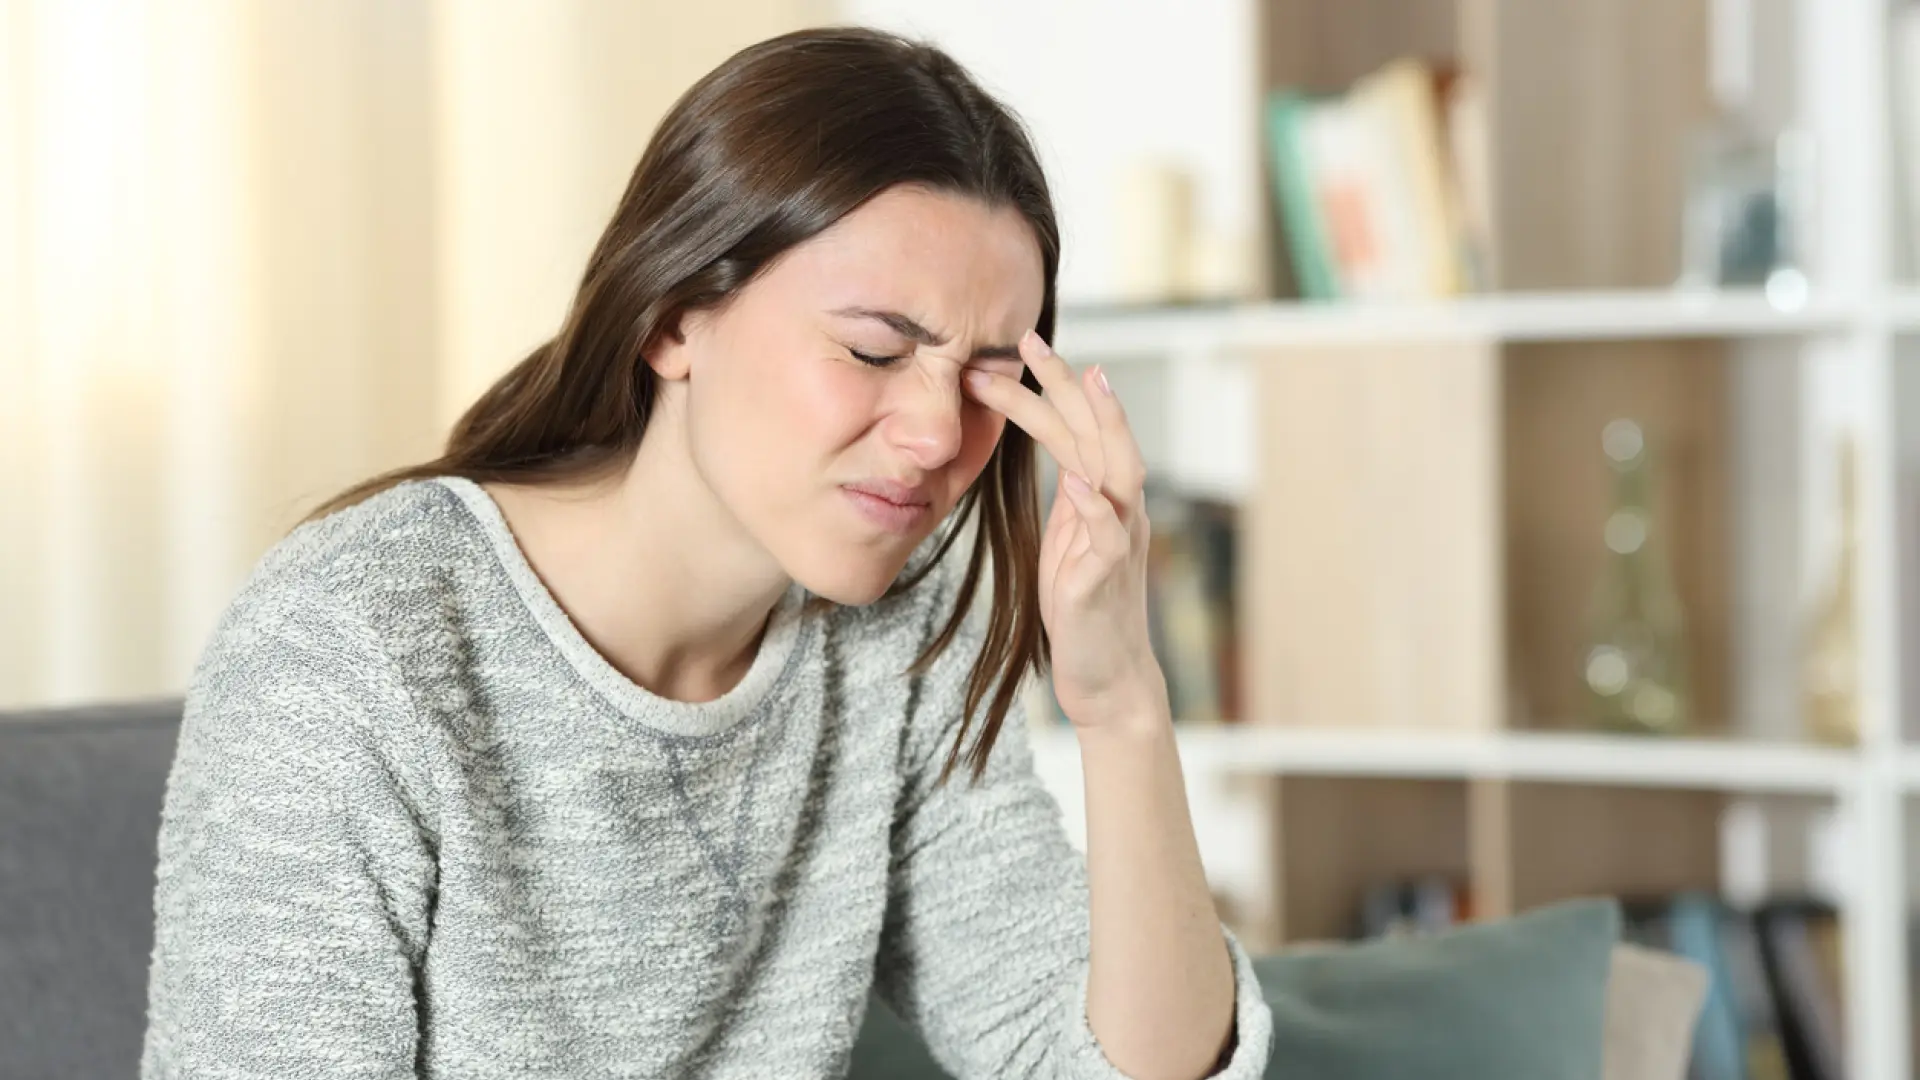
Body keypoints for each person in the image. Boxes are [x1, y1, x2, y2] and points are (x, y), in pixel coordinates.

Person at [140, 25, 1272, 1080]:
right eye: (877, 349)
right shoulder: (351, 649)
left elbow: (1104, 1066)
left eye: (988, 377)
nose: (938, 436)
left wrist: (1122, 702)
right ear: (674, 318)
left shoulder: (907, 625)